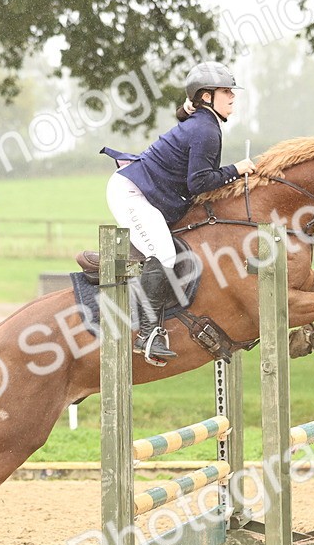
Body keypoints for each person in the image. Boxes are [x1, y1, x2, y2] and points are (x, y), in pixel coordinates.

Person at [96, 61, 256, 365]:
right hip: (132, 194)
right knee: (165, 254)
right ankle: (147, 334)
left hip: (145, 191)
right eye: (226, 91)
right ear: (207, 97)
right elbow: (198, 182)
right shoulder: (206, 129)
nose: (232, 96)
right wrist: (237, 169)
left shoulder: (204, 122)